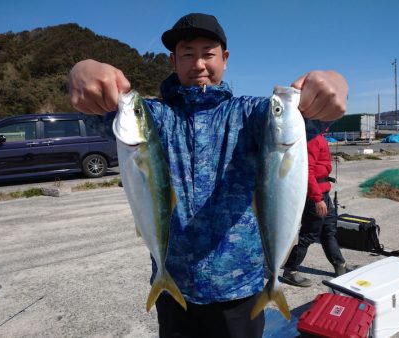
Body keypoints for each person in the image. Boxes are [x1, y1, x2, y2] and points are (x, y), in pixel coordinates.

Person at [69, 13, 348, 338]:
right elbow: (105, 116)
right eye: (187, 54)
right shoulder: (156, 117)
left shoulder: (249, 113)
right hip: (174, 288)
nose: (199, 63)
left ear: (225, 59)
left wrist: (333, 84)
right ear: (173, 61)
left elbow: (302, 120)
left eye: (208, 53)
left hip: (240, 289)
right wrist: (82, 71)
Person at [280, 133, 351, 288]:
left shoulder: (320, 137)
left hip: (323, 193)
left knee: (328, 232)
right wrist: (317, 198)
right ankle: (290, 271)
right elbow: (307, 171)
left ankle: (341, 266)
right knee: (308, 235)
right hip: (315, 196)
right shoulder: (312, 139)